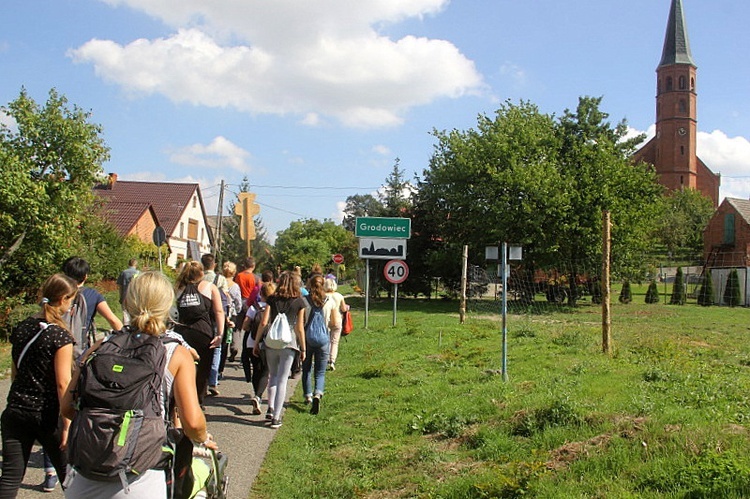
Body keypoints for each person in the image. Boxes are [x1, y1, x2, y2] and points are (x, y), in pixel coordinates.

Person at [61, 271, 218, 498]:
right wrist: (203, 438)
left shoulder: (101, 346)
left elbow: (67, 407)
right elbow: (192, 422)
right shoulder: (175, 352)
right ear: (168, 306)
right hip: (141, 477)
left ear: (127, 303)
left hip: (85, 478)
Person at [0, 274, 76, 497]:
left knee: (11, 476)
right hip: (47, 414)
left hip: (16, 410)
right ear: (63, 299)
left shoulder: (23, 327)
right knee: (69, 477)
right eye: (71, 300)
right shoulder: (60, 336)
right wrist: (67, 423)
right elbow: (63, 383)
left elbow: (15, 373)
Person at [252, 272, 306, 429]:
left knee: (272, 376)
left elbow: (264, 321)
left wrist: (257, 342)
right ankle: (276, 417)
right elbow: (299, 328)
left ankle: (270, 408)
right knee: (283, 379)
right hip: (288, 343)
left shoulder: (272, 299)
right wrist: (303, 348)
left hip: (271, 342)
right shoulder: (299, 302)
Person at [173, 261, 225, 406]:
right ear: (201, 273)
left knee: (183, 368)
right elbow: (219, 311)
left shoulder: (179, 288)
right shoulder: (209, 287)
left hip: (182, 332)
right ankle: (198, 401)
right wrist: (220, 334)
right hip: (203, 333)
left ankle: (180, 401)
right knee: (203, 369)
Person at [62, 256, 123, 349]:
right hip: (78, 349)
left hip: (52, 347)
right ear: (85, 276)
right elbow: (113, 321)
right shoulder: (93, 295)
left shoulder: (55, 292)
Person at [302, 275, 338, 416]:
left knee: (306, 369)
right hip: (323, 339)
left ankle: (308, 395)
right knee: (320, 371)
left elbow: (301, 322)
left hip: (307, 338)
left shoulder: (304, 301)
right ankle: (318, 393)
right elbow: (334, 323)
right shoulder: (330, 301)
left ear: (310, 285)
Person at [241, 281, 274, 416]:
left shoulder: (254, 308)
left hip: (252, 341)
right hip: (268, 343)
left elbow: (244, 326)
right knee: (265, 371)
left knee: (256, 370)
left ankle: (256, 395)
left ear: (261, 294)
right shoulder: (274, 307)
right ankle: (258, 396)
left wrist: (250, 327)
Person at [202, 254, 229, 397]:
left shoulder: (199, 278)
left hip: (202, 317)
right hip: (215, 317)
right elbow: (224, 300)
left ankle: (201, 382)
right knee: (216, 350)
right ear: (214, 264)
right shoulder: (220, 279)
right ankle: (213, 380)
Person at [218, 261, 243, 380]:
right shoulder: (234, 286)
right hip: (230, 315)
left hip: (218, 313)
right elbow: (238, 302)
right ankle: (220, 369)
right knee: (225, 343)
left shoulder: (217, 283)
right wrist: (237, 312)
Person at [234, 257, 257, 361]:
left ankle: (234, 346)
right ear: (253, 266)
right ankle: (249, 348)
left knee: (237, 327)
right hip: (251, 303)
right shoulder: (255, 278)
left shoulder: (239, 276)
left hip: (241, 300)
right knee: (250, 327)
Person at [324, 278, 347, 371]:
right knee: (335, 341)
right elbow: (344, 309)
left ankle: (325, 359)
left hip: (326, 319)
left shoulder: (323, 296)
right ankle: (332, 361)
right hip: (337, 319)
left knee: (326, 341)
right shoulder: (339, 296)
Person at [116, 259, 139, 325]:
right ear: (136, 265)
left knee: (125, 312)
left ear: (128, 264)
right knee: (135, 312)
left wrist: (120, 296)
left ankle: (126, 327)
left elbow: (120, 286)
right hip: (135, 296)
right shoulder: (138, 273)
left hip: (125, 295)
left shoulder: (124, 273)